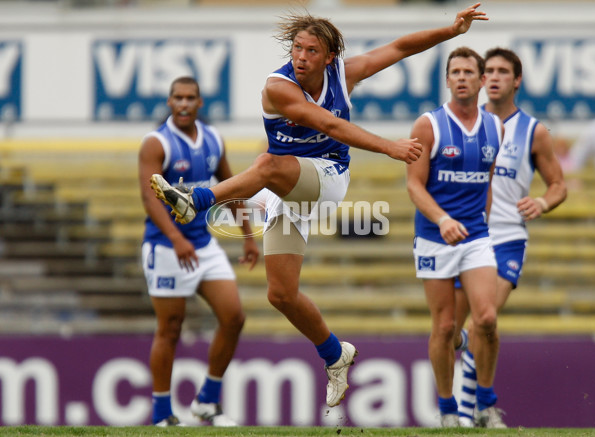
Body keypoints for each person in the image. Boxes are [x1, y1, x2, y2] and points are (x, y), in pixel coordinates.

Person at [149, 4, 488, 408]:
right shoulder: (278, 87)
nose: (301, 57)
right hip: (288, 186)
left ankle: (198, 200)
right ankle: (334, 355)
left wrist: (451, 31)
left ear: (329, 57)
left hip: (327, 177)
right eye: (297, 48)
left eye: (312, 51)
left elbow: (398, 48)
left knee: (266, 164)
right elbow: (326, 123)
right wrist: (389, 146)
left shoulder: (342, 75)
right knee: (280, 294)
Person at [453, 47, 567, 427]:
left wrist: (542, 202)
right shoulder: (462, 124)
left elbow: (558, 185)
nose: (495, 77)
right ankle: (486, 402)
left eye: (504, 71)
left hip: (507, 237)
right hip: (467, 234)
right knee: (460, 330)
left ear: (517, 80)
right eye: (491, 71)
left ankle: (464, 415)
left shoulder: (533, 131)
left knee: (482, 320)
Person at [138, 76, 259, 427]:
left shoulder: (213, 139)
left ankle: (207, 400)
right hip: (166, 248)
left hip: (203, 245)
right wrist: (176, 239)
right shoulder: (156, 143)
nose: (184, 103)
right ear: (169, 102)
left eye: (191, 97)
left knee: (234, 316)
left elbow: (231, 188)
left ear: (200, 102)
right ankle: (162, 413)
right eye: (178, 97)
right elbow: (150, 198)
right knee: (170, 328)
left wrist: (248, 237)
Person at [406, 46, 504, 428]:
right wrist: (443, 219)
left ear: (482, 81)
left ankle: (485, 404)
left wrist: (484, 222)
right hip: (434, 236)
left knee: (488, 319)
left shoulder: (495, 126)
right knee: (445, 327)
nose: (461, 77)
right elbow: (414, 186)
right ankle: (447, 410)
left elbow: (488, 180)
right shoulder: (428, 125)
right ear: (446, 79)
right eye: (455, 71)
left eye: (468, 71)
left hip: (475, 235)